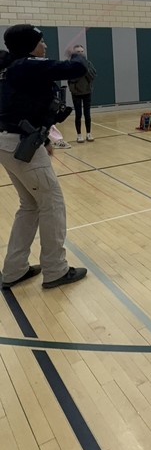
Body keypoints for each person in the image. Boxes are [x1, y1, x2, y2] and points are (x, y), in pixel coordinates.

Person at [0, 24, 88, 289]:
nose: (45, 45)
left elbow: (23, 105)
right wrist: (76, 54)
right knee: (52, 204)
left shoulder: (10, 68)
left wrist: (46, 137)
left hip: (10, 144)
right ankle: (55, 270)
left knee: (29, 205)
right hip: (21, 146)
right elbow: (77, 69)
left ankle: (14, 269)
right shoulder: (27, 66)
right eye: (41, 41)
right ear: (30, 45)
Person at [68, 44, 96, 141]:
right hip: (76, 93)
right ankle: (79, 135)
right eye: (78, 52)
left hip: (87, 92)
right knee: (78, 114)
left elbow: (93, 76)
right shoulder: (71, 64)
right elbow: (71, 79)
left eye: (81, 51)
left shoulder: (88, 63)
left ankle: (89, 133)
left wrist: (85, 68)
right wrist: (79, 69)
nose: (80, 53)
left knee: (87, 114)